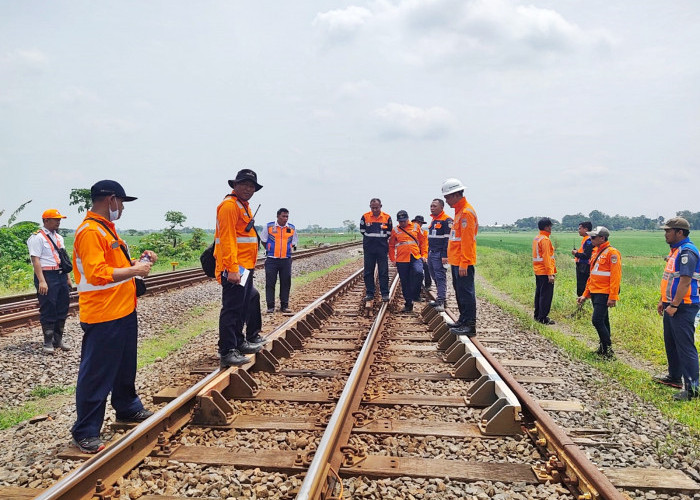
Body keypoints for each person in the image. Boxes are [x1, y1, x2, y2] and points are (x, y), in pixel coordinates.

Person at [70, 180, 158, 454]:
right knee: (97, 374)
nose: (122, 208)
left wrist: (136, 263)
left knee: (123, 366)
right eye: (121, 203)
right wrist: (135, 272)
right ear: (111, 200)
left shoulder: (107, 231)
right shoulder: (90, 232)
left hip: (123, 309)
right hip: (103, 314)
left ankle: (127, 407)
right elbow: (97, 274)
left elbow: (112, 266)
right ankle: (85, 431)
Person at [214, 169, 267, 369]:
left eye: (252, 186)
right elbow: (227, 239)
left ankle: (239, 341)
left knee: (245, 303)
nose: (248, 188)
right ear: (235, 185)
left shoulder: (243, 206)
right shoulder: (229, 206)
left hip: (245, 266)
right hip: (235, 267)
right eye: (244, 184)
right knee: (232, 309)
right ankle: (227, 350)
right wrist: (232, 268)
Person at [652, 217, 700, 401]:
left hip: (683, 306)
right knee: (671, 342)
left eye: (668, 231)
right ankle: (674, 377)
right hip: (671, 304)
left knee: (685, 346)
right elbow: (670, 279)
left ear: (680, 232)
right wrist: (662, 300)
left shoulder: (687, 252)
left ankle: (692, 389)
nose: (666, 234)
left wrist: (674, 305)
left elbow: (686, 281)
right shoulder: (676, 251)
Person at [26, 209, 73, 353]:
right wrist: (42, 281)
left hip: (60, 274)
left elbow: (64, 260)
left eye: (59, 219)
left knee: (62, 307)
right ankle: (48, 342)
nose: (58, 222)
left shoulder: (59, 237)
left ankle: (58, 339)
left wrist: (68, 278)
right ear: (46, 220)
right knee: (48, 308)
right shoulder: (37, 238)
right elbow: (35, 260)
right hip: (47, 275)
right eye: (55, 219)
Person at [576, 226, 621, 359]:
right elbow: (592, 276)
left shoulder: (612, 253)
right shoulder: (595, 252)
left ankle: (608, 351)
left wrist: (613, 296)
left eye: (594, 237)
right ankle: (603, 349)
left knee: (597, 320)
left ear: (602, 238)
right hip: (595, 291)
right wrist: (585, 294)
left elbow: (615, 276)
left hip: (604, 292)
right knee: (603, 320)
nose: (591, 239)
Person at [442, 178, 478, 336]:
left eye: (447, 197)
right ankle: (463, 320)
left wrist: (464, 263)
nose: (446, 200)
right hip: (456, 260)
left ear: (456, 194)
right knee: (460, 292)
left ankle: (470, 325)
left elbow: (468, 241)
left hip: (463, 262)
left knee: (466, 293)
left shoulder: (466, 213)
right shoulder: (458, 213)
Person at [260, 208, 298, 313]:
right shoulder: (269, 227)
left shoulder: (291, 228)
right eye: (283, 216)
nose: (285, 219)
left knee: (286, 283)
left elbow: (294, 242)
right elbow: (263, 240)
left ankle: (284, 306)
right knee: (270, 283)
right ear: (278, 216)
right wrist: (270, 250)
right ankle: (270, 307)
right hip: (272, 260)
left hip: (286, 260)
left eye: (287, 216)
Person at [389, 211, 427, 312]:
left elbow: (423, 242)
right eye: (400, 221)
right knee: (405, 282)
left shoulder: (415, 227)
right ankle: (408, 304)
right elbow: (391, 245)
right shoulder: (395, 230)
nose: (402, 223)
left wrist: (424, 255)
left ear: (408, 219)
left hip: (415, 256)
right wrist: (393, 259)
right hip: (402, 259)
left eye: (404, 221)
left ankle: (415, 294)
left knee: (419, 272)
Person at [360, 198, 392, 302]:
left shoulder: (387, 218)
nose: (374, 209)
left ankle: (385, 294)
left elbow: (389, 232)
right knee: (368, 272)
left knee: (383, 272)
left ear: (380, 206)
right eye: (372, 207)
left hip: (382, 249)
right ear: (370, 207)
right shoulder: (365, 217)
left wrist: (380, 241)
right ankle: (370, 293)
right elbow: (363, 231)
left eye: (376, 207)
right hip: (369, 249)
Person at [426, 199, 453, 312]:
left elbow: (448, 240)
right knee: (434, 276)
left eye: (434, 206)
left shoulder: (446, 220)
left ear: (441, 207)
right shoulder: (434, 220)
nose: (432, 207)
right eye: (431, 205)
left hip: (439, 254)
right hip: (431, 253)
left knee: (440, 277)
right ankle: (440, 298)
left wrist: (445, 255)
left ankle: (441, 301)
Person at [533, 217, 557, 325]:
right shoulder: (545, 240)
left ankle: (537, 315)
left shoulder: (537, 238)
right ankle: (543, 318)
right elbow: (547, 258)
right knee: (546, 296)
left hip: (538, 271)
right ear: (547, 227)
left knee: (539, 294)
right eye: (550, 226)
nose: (551, 228)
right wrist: (550, 274)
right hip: (544, 271)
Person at [572, 221, 593, 297]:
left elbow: (587, 255)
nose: (579, 230)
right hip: (582, 265)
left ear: (586, 229)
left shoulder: (588, 240)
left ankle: (582, 301)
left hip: (585, 266)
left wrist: (576, 254)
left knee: (582, 286)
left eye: (580, 228)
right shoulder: (586, 239)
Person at [412, 215, 431, 294]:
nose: (419, 224)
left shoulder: (424, 232)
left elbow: (425, 245)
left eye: (420, 223)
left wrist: (424, 256)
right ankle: (416, 287)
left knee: (426, 267)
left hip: (420, 254)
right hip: (412, 253)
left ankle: (428, 285)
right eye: (417, 222)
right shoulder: (410, 230)